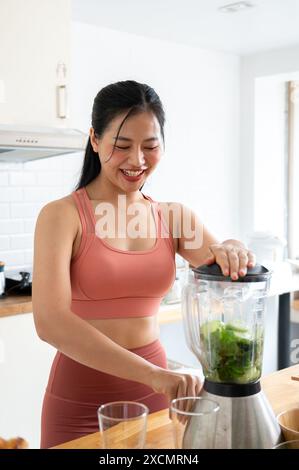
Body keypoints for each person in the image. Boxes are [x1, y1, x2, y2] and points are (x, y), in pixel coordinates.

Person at [32, 80, 256, 448]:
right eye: (122, 146)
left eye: (150, 146)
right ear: (94, 140)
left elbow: (228, 269)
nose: (137, 161)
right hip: (79, 403)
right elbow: (50, 322)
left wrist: (233, 246)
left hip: (155, 399)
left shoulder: (175, 218)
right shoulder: (61, 216)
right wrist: (155, 375)